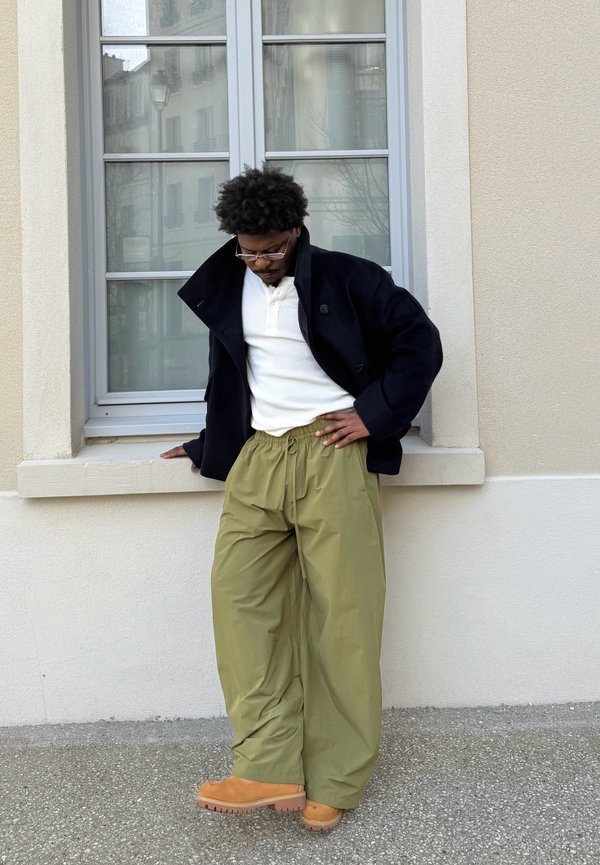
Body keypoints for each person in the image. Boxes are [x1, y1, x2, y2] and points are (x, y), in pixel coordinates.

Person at [161, 165, 442, 831]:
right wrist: (209, 444)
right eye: (248, 249)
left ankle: (338, 777)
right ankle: (267, 766)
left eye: (272, 248)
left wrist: (373, 415)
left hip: (332, 456)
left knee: (343, 621)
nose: (260, 261)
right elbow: (233, 375)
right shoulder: (229, 284)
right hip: (260, 455)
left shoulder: (350, 279)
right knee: (240, 606)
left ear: (296, 231)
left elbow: (419, 345)